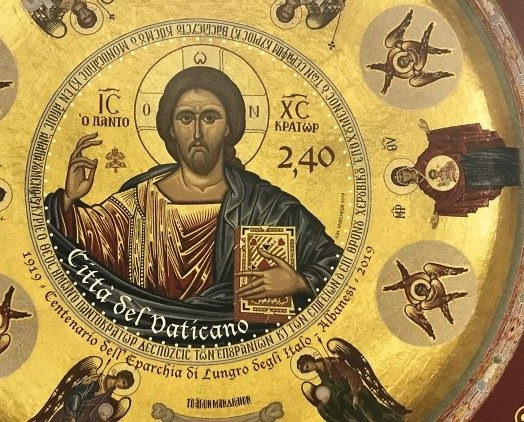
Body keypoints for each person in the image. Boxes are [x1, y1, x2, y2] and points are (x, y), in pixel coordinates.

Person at [45, 66, 341, 344]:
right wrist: (69, 200)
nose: (197, 133)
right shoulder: (138, 202)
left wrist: (299, 282)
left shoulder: (266, 206)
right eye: (185, 118)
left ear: (229, 126)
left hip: (231, 345)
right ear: (171, 128)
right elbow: (78, 247)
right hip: (150, 343)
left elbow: (334, 263)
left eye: (210, 118)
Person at [390, 123, 520, 227]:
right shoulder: (425, 187)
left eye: (402, 174)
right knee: (496, 178)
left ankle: (517, 157)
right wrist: (438, 211)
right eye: (402, 179)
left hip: (466, 161)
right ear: (406, 183)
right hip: (467, 180)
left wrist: (430, 133)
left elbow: (437, 146)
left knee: (493, 158)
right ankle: (518, 176)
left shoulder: (423, 159)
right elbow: (441, 196)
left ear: (405, 168)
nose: (405, 177)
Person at [297, 354, 406, 422]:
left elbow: (352, 375)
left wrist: (355, 395)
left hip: (358, 393)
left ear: (310, 360)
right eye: (307, 370)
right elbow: (331, 387)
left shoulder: (332, 363)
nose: (309, 369)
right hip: (346, 400)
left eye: (307, 366)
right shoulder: (321, 373)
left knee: (372, 418)